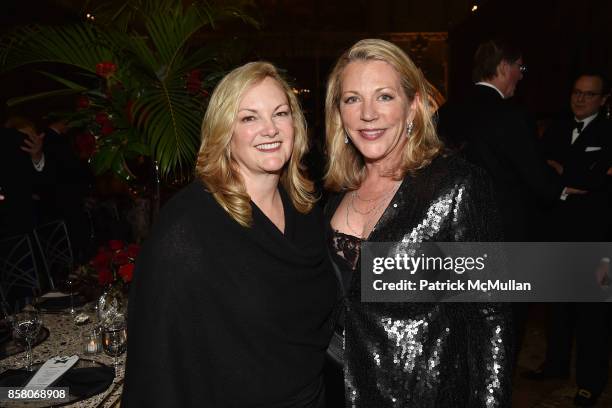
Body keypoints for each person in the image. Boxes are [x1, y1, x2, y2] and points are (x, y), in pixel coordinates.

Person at [122, 62, 338, 407]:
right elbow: (155, 362)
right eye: (249, 118)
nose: (270, 129)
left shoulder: (306, 211)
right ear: (224, 131)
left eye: (280, 114)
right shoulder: (188, 226)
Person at [324, 38, 513, 407]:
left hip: (424, 395)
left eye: (384, 96)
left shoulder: (457, 187)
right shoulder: (333, 195)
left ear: (412, 107)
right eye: (352, 99)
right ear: (339, 113)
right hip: (334, 390)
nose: (367, 114)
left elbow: (491, 317)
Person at [524, 72, 612, 407]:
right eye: (576, 92)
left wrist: (568, 172)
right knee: (558, 306)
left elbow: (596, 180)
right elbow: (539, 170)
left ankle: (591, 381)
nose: (580, 99)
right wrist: (580, 174)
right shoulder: (558, 126)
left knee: (593, 314)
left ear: (603, 100)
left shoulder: (608, 130)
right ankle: (555, 366)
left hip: (596, 236)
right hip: (558, 230)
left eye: (589, 95)